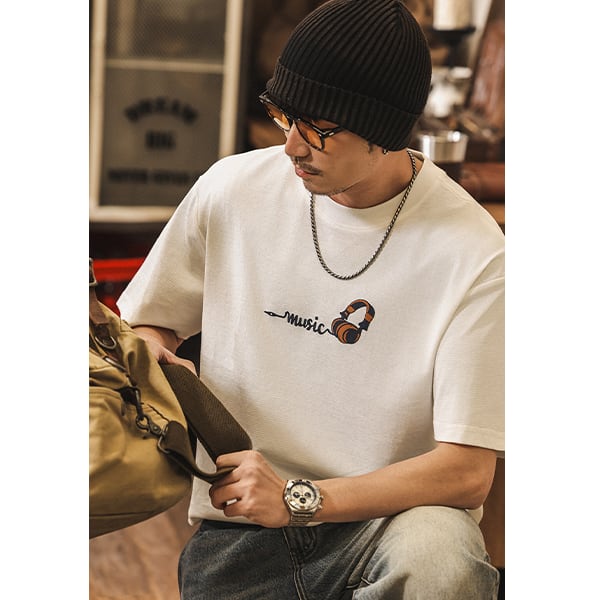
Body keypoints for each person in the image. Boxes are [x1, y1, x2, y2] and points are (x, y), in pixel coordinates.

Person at [117, 0, 504, 598]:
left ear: (383, 132)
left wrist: (301, 499)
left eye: (319, 128)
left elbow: (467, 472)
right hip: (241, 525)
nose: (293, 147)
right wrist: (158, 364)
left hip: (393, 523)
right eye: (284, 117)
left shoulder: (476, 253)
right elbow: (149, 324)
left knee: (442, 563)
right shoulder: (232, 191)